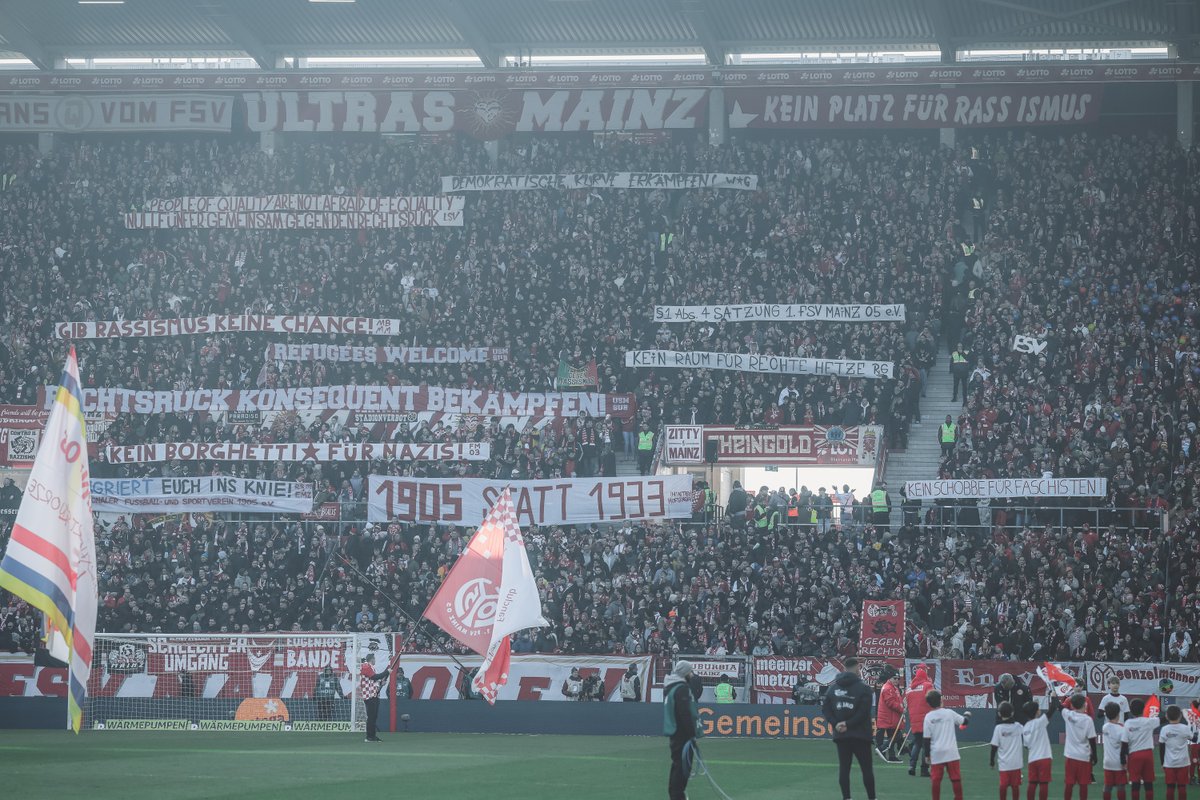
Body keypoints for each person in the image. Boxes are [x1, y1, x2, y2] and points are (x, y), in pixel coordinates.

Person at [822, 657, 877, 800]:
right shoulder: (864, 688)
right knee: (866, 769)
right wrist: (849, 724)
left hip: (841, 735)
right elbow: (864, 712)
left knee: (844, 768)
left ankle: (846, 797)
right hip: (861, 735)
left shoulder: (833, 688)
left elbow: (826, 709)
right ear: (858, 668)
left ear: (844, 668)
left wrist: (837, 724)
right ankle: (872, 798)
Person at [925, 690, 971, 800]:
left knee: (936, 779)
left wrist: (927, 755)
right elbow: (964, 722)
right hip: (951, 752)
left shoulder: (928, 717)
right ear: (941, 700)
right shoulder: (949, 713)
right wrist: (967, 715)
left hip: (937, 753)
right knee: (955, 778)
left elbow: (926, 739)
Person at [664, 660, 699, 800]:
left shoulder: (670, 687)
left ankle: (675, 795)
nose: (692, 674)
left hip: (674, 733)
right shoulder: (681, 689)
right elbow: (685, 714)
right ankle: (678, 796)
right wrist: (692, 735)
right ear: (685, 673)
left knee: (677, 765)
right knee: (682, 768)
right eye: (690, 671)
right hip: (682, 735)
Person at [1023, 695, 1061, 800]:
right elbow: (1053, 708)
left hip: (1032, 759)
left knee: (1032, 783)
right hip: (1044, 757)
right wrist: (1053, 696)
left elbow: (1026, 746)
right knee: (1044, 783)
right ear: (1037, 712)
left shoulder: (1025, 727)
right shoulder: (1040, 722)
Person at [1063, 693, 1099, 800]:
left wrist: (1055, 696)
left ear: (1072, 705)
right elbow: (1092, 739)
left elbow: (1059, 707)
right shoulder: (1088, 720)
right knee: (1083, 784)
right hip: (1084, 756)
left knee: (1069, 783)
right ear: (1085, 705)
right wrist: (1095, 755)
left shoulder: (1067, 715)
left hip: (1070, 755)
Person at [1162, 705, 1199, 800]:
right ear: (1180, 716)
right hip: (1183, 762)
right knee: (1182, 787)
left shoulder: (1164, 729)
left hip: (1169, 763)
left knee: (1170, 787)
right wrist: (1195, 732)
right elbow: (1194, 739)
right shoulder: (1185, 728)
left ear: (1166, 716)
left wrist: (1163, 762)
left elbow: (1161, 747)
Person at [1125, 698, 1160, 800]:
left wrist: (1124, 757)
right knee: (1148, 782)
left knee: (1135, 782)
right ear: (1144, 709)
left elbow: (1124, 742)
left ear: (1131, 710)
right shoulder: (1149, 721)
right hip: (1148, 754)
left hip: (1134, 755)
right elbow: (1163, 719)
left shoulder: (1128, 723)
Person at [991, 701, 1024, 800]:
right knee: (1015, 786)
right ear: (1012, 713)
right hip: (1016, 763)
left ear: (999, 714)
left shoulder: (998, 728)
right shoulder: (1018, 726)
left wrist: (991, 761)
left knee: (1003, 786)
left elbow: (994, 747)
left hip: (1004, 764)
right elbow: (1027, 734)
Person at [908, 664, 935, 777]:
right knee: (926, 745)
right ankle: (924, 769)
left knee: (917, 743)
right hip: (927, 719)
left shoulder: (909, 688)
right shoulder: (928, 685)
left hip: (914, 719)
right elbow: (933, 700)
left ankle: (912, 766)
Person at [356, 652, 389, 742]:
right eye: (374, 659)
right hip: (369, 695)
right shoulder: (366, 666)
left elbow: (373, 681)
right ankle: (369, 736)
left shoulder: (371, 668)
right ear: (372, 659)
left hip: (374, 694)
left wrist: (380, 683)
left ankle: (372, 736)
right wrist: (387, 672)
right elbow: (374, 677)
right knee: (371, 717)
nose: (375, 660)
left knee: (374, 716)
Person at [1100, 703, 1129, 800]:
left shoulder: (1105, 727)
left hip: (1107, 762)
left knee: (1107, 786)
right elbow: (1125, 747)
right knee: (1121, 786)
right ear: (1118, 714)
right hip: (1119, 762)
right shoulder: (1122, 729)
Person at [877, 670, 904, 762]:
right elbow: (891, 703)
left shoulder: (893, 687)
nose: (896, 680)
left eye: (898, 678)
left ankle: (892, 756)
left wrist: (902, 706)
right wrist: (902, 709)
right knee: (897, 735)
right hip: (888, 717)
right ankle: (882, 748)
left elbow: (897, 701)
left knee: (893, 735)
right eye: (894, 678)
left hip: (892, 716)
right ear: (890, 678)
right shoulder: (888, 688)